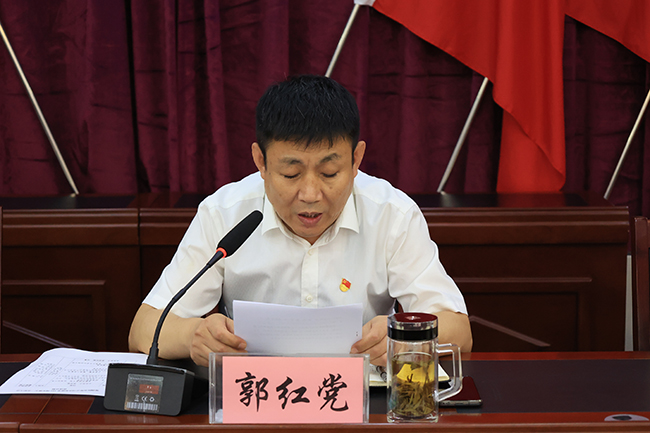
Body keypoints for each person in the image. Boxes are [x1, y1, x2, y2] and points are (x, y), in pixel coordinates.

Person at [129, 75, 472, 367]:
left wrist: (402, 338)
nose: (310, 194)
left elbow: (458, 331)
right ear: (260, 161)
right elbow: (144, 330)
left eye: (329, 172)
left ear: (356, 160)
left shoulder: (392, 214)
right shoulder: (224, 213)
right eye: (291, 174)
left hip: (362, 402)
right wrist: (193, 335)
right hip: (255, 399)